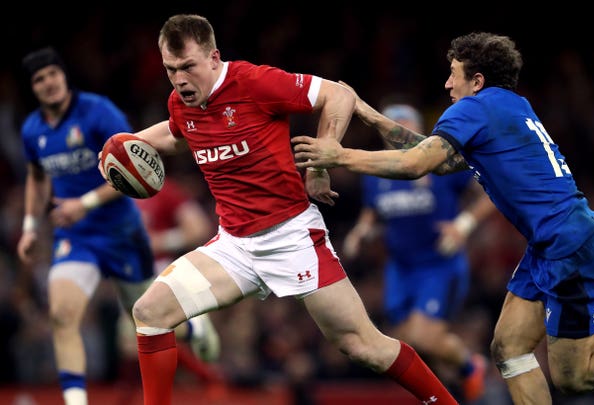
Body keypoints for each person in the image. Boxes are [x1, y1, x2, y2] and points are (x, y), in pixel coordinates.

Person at [102, 14, 459, 405]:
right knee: (150, 313)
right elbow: (177, 132)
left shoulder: (254, 82)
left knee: (363, 347)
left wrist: (322, 164)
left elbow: (338, 96)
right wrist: (123, 147)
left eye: (188, 67)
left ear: (213, 58)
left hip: (292, 237)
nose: (180, 79)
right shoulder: (182, 103)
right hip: (234, 246)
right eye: (171, 70)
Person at [292, 32, 594, 405]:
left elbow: (416, 165)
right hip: (552, 243)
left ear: (477, 81)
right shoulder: (508, 106)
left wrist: (339, 155)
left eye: (453, 73)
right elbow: (438, 160)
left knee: (575, 379)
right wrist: (369, 115)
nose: (446, 83)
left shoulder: (475, 108)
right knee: (508, 349)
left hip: (571, 248)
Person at [16, 46, 217, 405]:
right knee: (62, 314)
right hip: (76, 237)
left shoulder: (98, 111)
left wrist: (86, 203)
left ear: (63, 76)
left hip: (121, 232)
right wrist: (31, 226)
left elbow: (133, 162)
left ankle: (192, 324)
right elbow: (35, 177)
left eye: (53, 74)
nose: (48, 83)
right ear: (32, 88)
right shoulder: (32, 130)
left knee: (147, 319)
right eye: (39, 79)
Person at [342, 101, 495, 402]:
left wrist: (463, 224)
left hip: (438, 263)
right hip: (400, 267)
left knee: (424, 335)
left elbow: (491, 192)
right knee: (406, 340)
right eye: (396, 127)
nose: (402, 133)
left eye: (408, 126)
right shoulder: (376, 173)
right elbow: (373, 211)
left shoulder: (441, 164)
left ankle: (469, 366)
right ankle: (449, 391)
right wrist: (361, 231)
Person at [116, 176, 223, 399]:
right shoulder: (115, 195)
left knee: (132, 338)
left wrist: (161, 241)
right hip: (126, 274)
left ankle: (209, 378)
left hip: (156, 271)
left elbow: (199, 228)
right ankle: (198, 344)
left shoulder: (164, 191)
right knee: (133, 341)